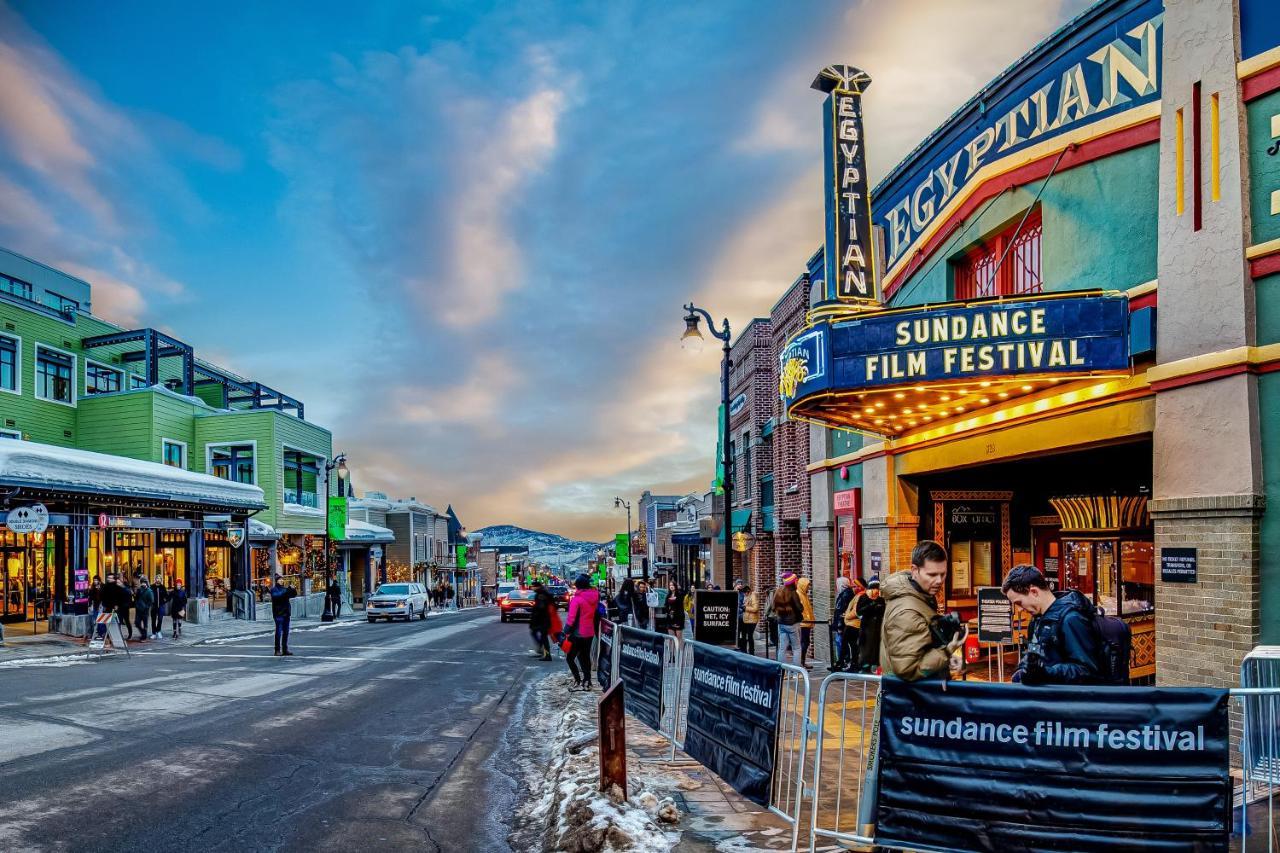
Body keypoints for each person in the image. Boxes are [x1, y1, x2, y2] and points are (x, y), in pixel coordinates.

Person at [1003, 564, 1103, 685]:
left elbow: (1087, 670)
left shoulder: (1071, 619)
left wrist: (1046, 673)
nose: (1019, 609)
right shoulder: (1036, 620)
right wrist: (1023, 671)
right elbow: (1032, 656)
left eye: (1019, 603)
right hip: (1048, 697)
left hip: (1067, 700)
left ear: (1034, 591)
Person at [881, 541, 963, 681]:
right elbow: (907, 670)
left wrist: (947, 659)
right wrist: (947, 651)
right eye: (932, 575)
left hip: (917, 697)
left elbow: (920, 650)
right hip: (910, 699)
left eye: (943, 574)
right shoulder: (907, 612)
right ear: (914, 570)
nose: (939, 581)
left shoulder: (919, 596)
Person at [565, 574, 599, 690]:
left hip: (577, 633)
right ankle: (587, 680)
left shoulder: (577, 599)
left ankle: (578, 680)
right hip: (589, 632)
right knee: (585, 656)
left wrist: (565, 631)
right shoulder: (594, 597)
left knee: (570, 657)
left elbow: (571, 618)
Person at [769, 573, 803, 665]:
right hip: (792, 623)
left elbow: (772, 607)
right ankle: (796, 673)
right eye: (796, 580)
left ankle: (781, 672)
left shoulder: (779, 591)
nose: (797, 582)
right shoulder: (793, 593)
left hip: (781, 623)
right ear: (793, 582)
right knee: (796, 648)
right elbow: (799, 608)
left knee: (782, 648)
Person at [856, 578, 885, 673]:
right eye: (874, 589)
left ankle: (875, 665)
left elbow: (884, 611)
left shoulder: (881, 600)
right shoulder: (863, 598)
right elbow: (859, 611)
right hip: (867, 628)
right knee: (866, 648)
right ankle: (865, 666)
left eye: (878, 590)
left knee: (876, 647)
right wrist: (871, 605)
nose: (876, 592)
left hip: (878, 627)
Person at [831, 577, 856, 671]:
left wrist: (840, 625)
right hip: (840, 623)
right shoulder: (843, 594)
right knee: (839, 642)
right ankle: (840, 662)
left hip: (843, 624)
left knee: (842, 643)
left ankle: (844, 662)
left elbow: (842, 611)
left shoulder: (846, 595)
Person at [270, 574, 297, 656]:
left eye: (282, 579)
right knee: (278, 632)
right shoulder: (274, 589)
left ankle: (285, 649)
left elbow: (293, 595)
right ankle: (277, 650)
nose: (281, 581)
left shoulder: (285, 589)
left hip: (286, 613)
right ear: (276, 581)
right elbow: (278, 596)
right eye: (280, 579)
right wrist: (287, 590)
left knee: (286, 632)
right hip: (278, 614)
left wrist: (293, 589)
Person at [529, 581, 555, 661]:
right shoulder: (542, 593)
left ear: (537, 587)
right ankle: (542, 650)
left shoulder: (541, 595)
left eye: (533, 586)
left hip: (542, 620)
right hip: (543, 619)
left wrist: (535, 610)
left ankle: (547, 655)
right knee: (539, 634)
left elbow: (541, 607)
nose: (532, 588)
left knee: (543, 637)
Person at [796, 575, 815, 669]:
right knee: (803, 643)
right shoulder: (798, 594)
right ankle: (800, 662)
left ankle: (802, 662)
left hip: (807, 623)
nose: (808, 587)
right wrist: (806, 618)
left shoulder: (804, 595)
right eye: (807, 585)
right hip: (803, 623)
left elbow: (808, 609)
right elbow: (801, 610)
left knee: (806, 642)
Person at [740, 585, 759, 654]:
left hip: (752, 620)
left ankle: (751, 652)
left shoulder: (753, 596)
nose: (744, 594)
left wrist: (745, 608)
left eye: (745, 593)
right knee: (745, 635)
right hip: (747, 619)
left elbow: (755, 609)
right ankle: (745, 651)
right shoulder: (747, 596)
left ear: (748, 591)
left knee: (750, 636)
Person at [151, 575, 168, 639]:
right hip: (154, 605)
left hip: (161, 605)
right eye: (157, 578)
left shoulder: (163, 587)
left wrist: (164, 601)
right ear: (155, 579)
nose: (158, 579)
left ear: (161, 580)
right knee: (153, 619)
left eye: (159, 578)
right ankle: (153, 633)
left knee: (160, 619)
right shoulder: (152, 587)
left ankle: (158, 631)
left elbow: (166, 596)